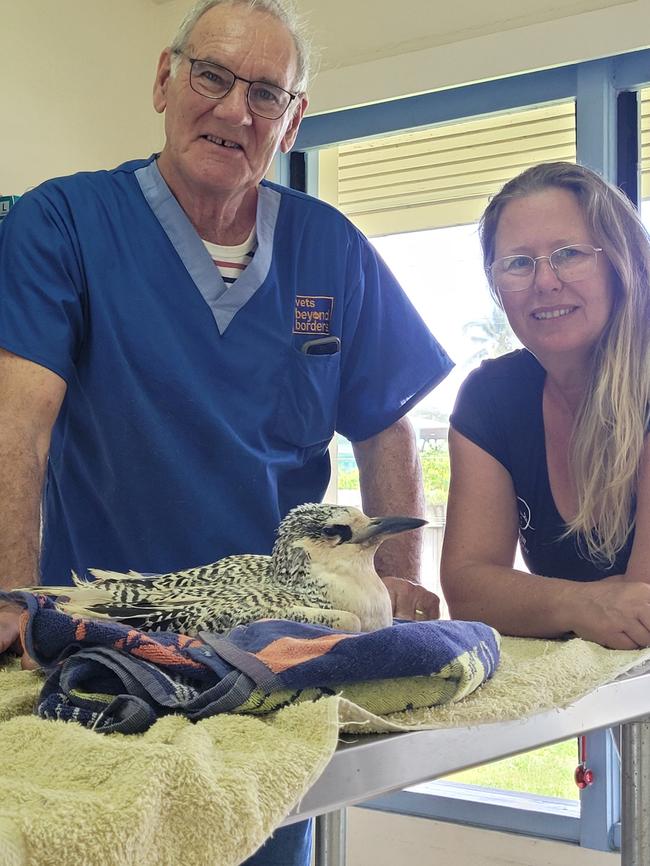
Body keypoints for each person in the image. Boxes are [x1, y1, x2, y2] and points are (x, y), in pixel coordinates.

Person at [0, 1, 452, 863]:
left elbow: (386, 425)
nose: (235, 110)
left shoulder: (331, 247)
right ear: (165, 79)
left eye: (267, 94)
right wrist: (18, 603)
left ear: (293, 120)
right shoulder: (61, 226)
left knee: (266, 840)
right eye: (212, 75)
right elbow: (14, 432)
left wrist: (395, 587)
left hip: (282, 659)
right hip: (109, 635)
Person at [441, 160, 650, 652]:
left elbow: (641, 616)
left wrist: (535, 601)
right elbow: (467, 590)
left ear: (622, 263)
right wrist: (582, 604)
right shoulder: (492, 398)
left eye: (570, 254)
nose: (546, 282)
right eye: (518, 263)